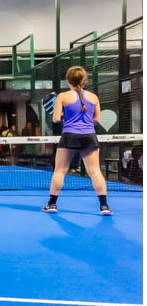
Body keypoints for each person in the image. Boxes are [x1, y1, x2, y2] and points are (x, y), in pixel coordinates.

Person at [43, 66, 111, 215]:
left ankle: (52, 204)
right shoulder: (94, 97)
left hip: (69, 136)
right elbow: (97, 121)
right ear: (84, 80)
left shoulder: (63, 97)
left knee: (59, 171)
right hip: (89, 136)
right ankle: (104, 206)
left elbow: (55, 119)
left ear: (68, 80)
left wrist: (66, 118)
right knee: (95, 171)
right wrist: (83, 122)